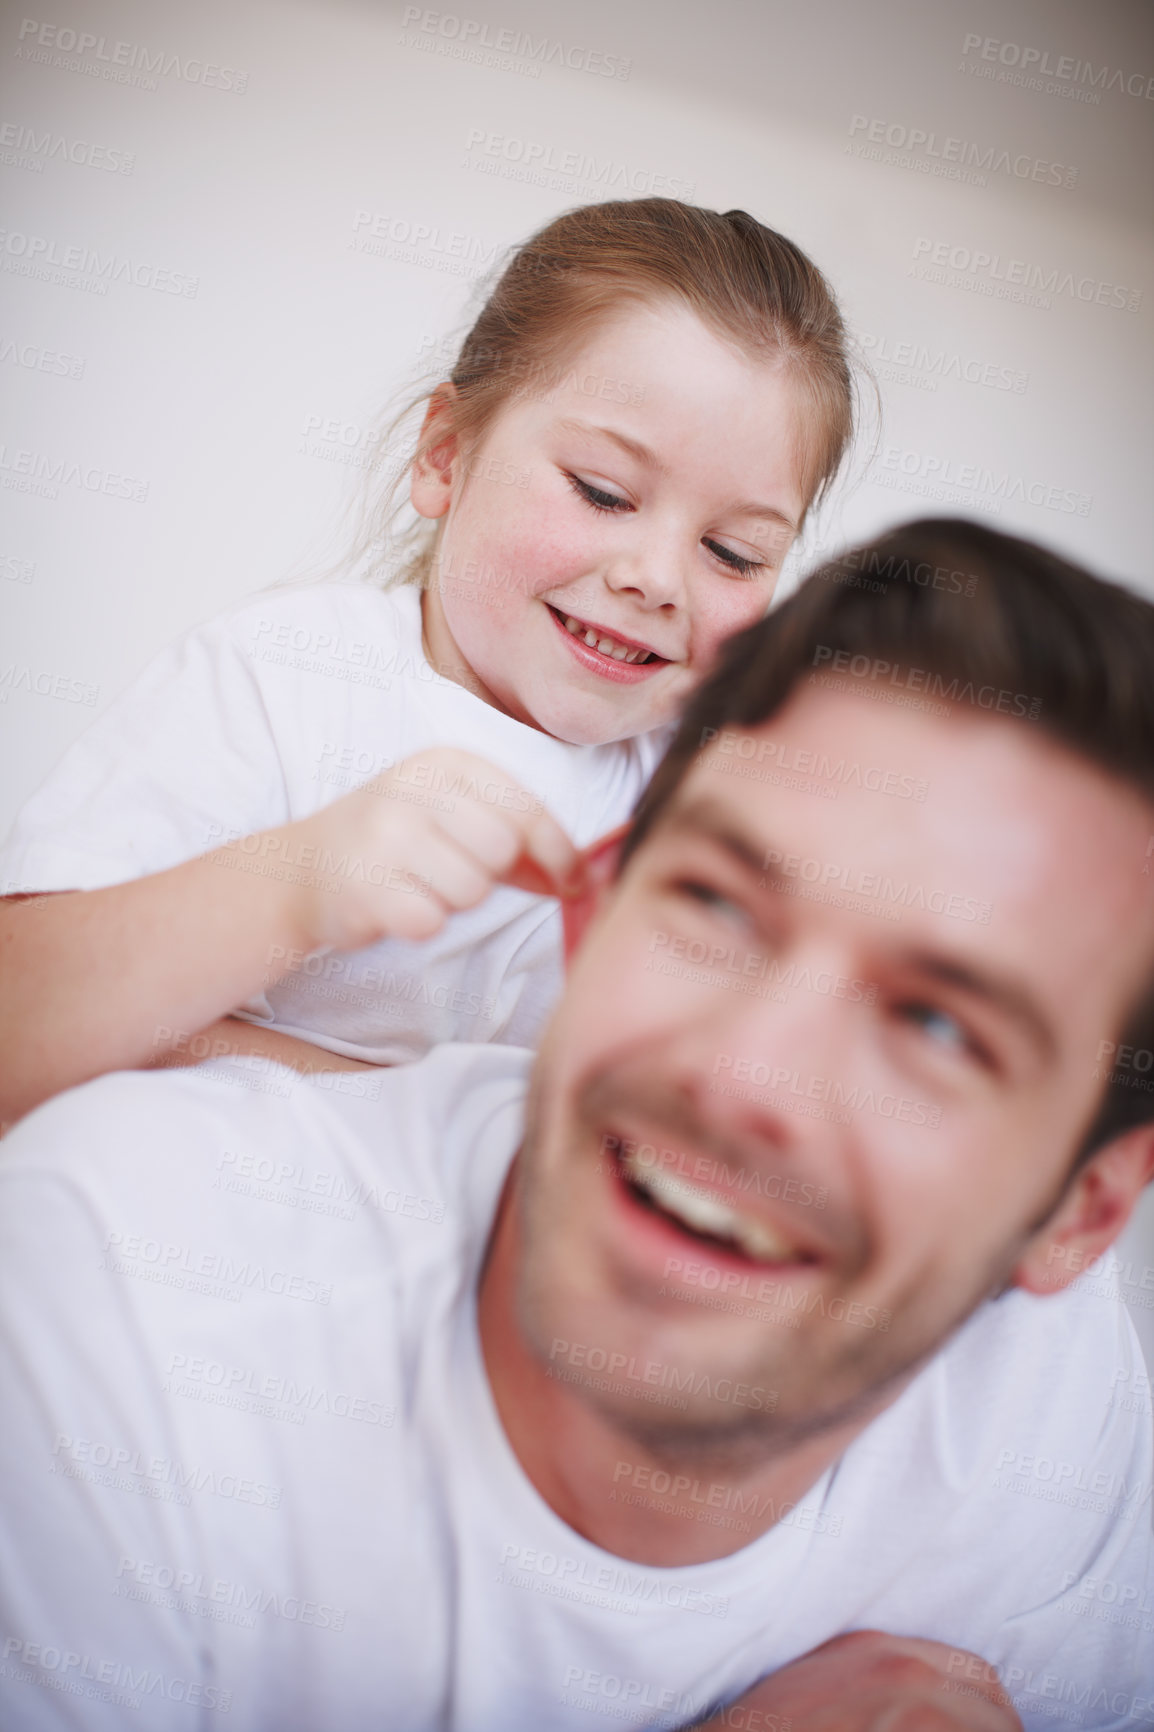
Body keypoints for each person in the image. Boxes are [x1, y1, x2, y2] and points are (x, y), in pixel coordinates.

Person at [2, 519, 1152, 1730]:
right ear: (588, 915)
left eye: (937, 1028)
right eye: (715, 903)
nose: (744, 1077)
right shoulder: (114, 1295)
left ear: (1079, 1211)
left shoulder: (1056, 1423)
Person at [0, 198, 856, 1128]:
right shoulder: (285, 678)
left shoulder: (711, 802)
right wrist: (292, 885)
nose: (657, 580)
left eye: (733, 554)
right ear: (446, 454)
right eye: (603, 493)